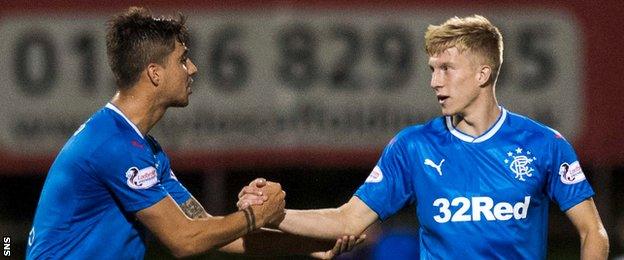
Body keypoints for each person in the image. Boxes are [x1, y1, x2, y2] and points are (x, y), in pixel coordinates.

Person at [239, 15, 609, 259]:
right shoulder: (412, 146)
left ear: (483, 74)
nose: (434, 82)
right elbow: (348, 220)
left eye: (446, 69)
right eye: (433, 70)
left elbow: (593, 232)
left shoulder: (544, 144)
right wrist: (274, 214)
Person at [26, 7, 361, 259]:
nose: (193, 69)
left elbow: (206, 229)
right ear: (155, 73)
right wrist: (257, 215)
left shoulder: (144, 148)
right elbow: (184, 240)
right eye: (183, 59)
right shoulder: (113, 144)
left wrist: (312, 244)